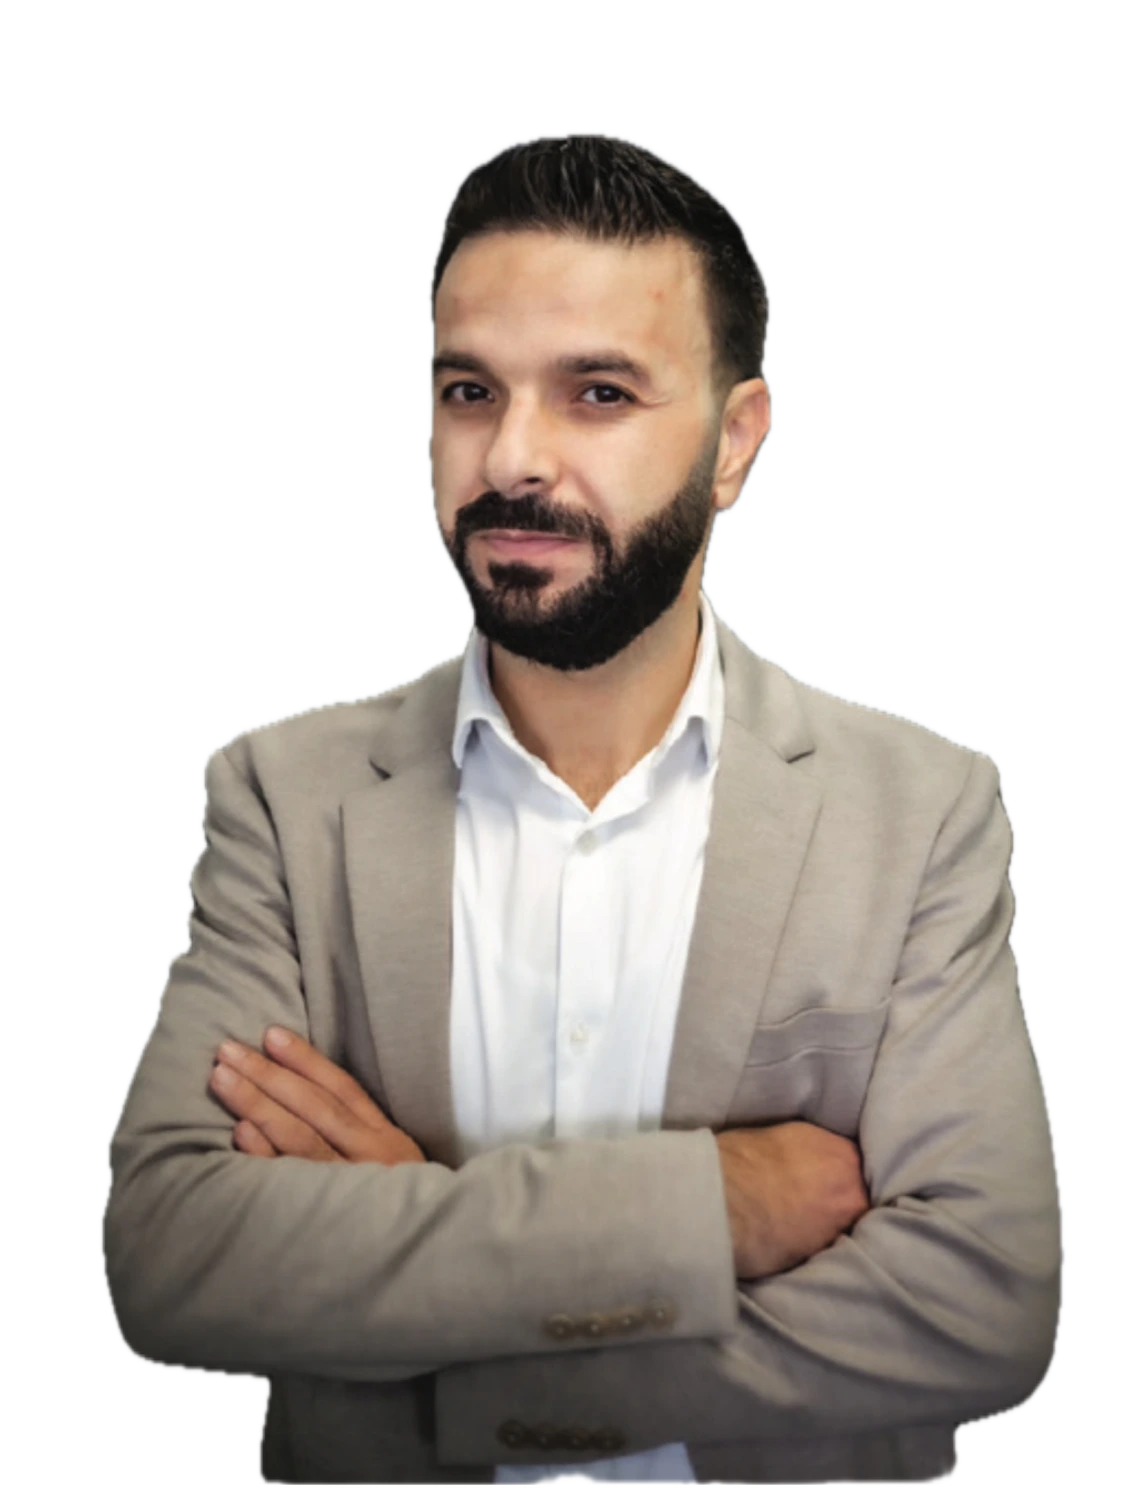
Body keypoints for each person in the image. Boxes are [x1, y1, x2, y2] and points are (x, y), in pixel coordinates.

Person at [102, 132, 1061, 1486]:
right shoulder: (282, 796)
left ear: (734, 443)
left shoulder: (920, 811)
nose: (511, 457)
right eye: (468, 390)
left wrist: (420, 1264)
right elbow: (174, 1259)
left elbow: (983, 1302)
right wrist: (711, 1209)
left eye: (597, 392)